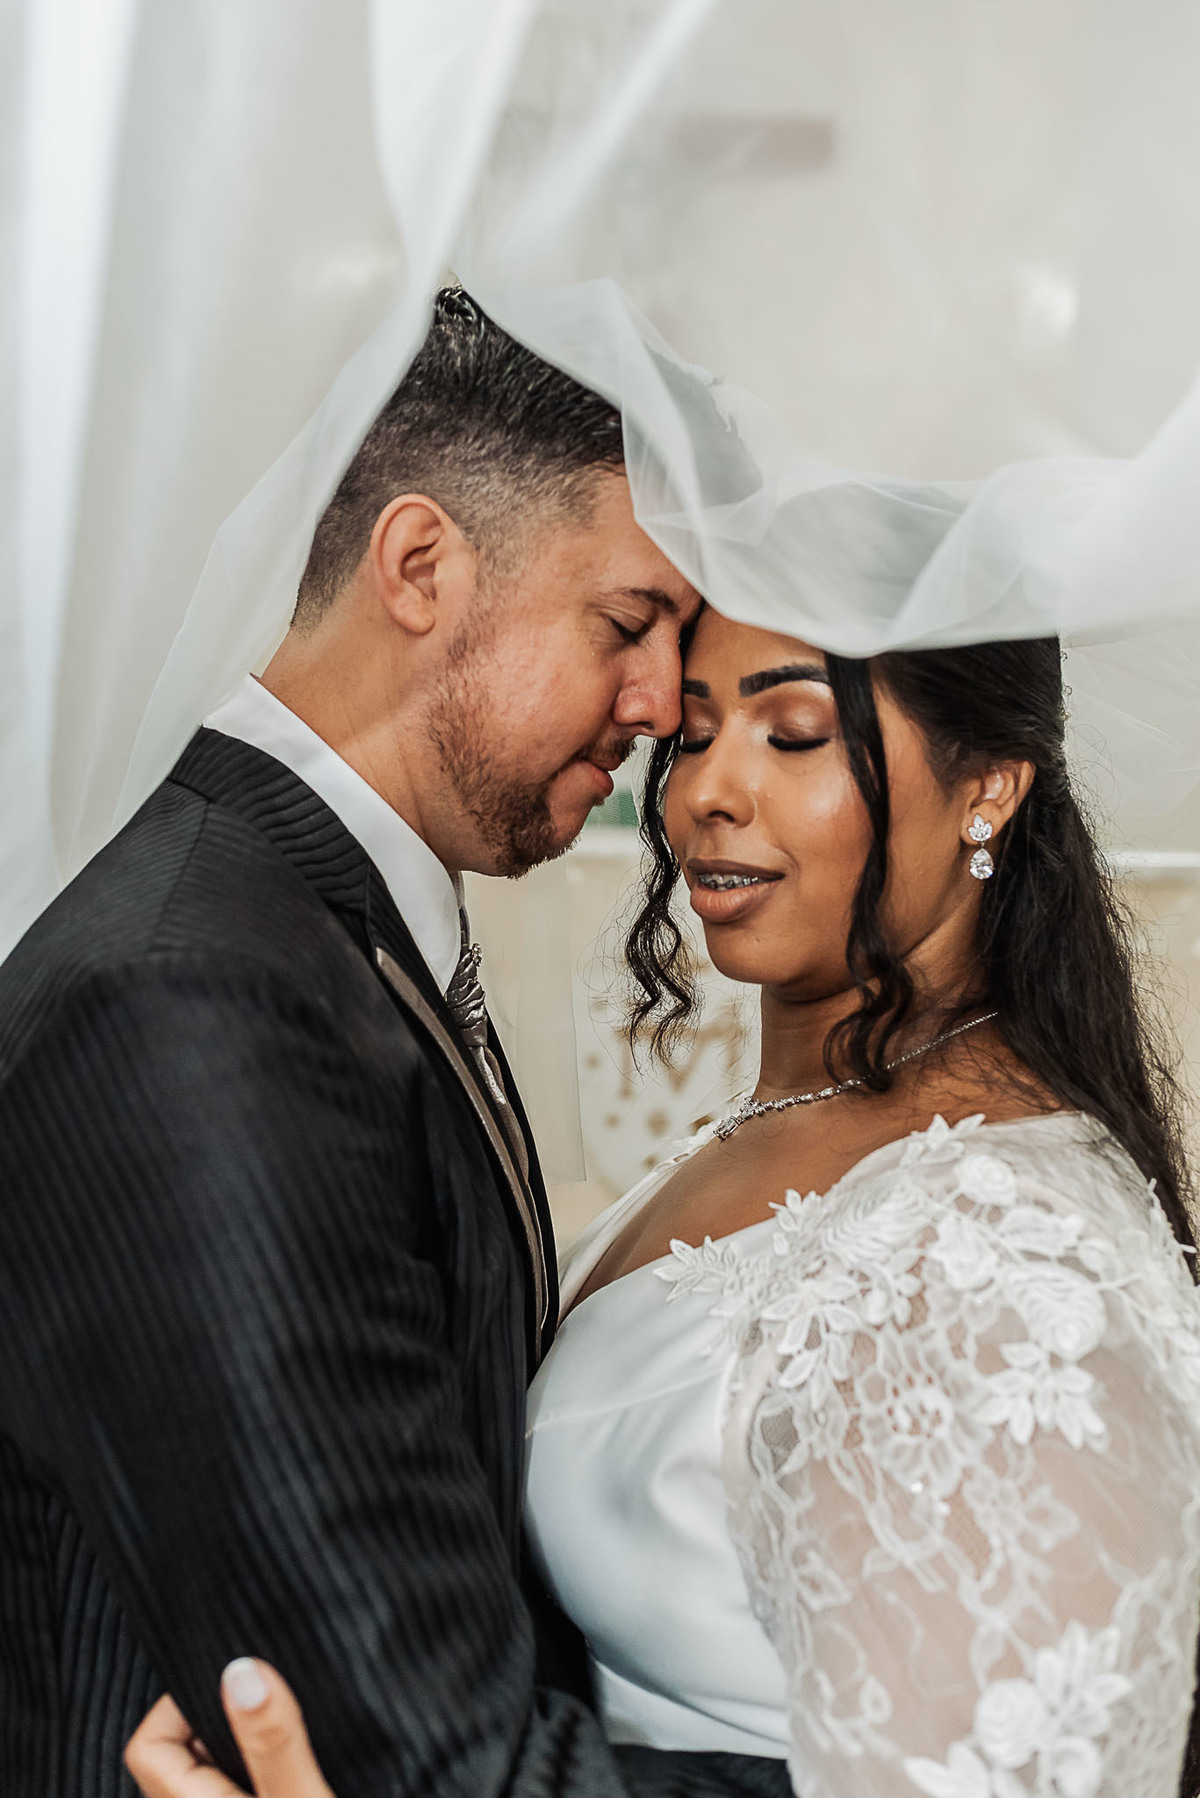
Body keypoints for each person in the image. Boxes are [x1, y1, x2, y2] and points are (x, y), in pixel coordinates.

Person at [131, 609, 1200, 1798]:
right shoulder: (776, 1125)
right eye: (692, 736)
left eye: (794, 734)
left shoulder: (992, 1254)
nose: (706, 793)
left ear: (987, 788)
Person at [0, 288, 798, 1798]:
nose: (660, 708)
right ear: (420, 564)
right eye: (626, 624)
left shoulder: (307, 918)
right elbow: (416, 1754)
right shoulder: (196, 1002)